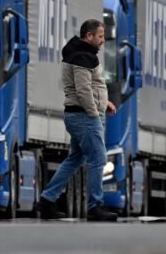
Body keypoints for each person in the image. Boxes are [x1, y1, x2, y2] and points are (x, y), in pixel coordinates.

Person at [37, 19, 119, 222]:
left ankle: (47, 200)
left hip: (78, 114)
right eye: (100, 36)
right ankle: (95, 206)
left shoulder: (82, 54)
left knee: (75, 159)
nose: (102, 40)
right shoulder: (82, 57)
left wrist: (104, 102)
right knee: (98, 159)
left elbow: (90, 86)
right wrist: (94, 113)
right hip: (84, 115)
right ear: (89, 36)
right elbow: (83, 90)